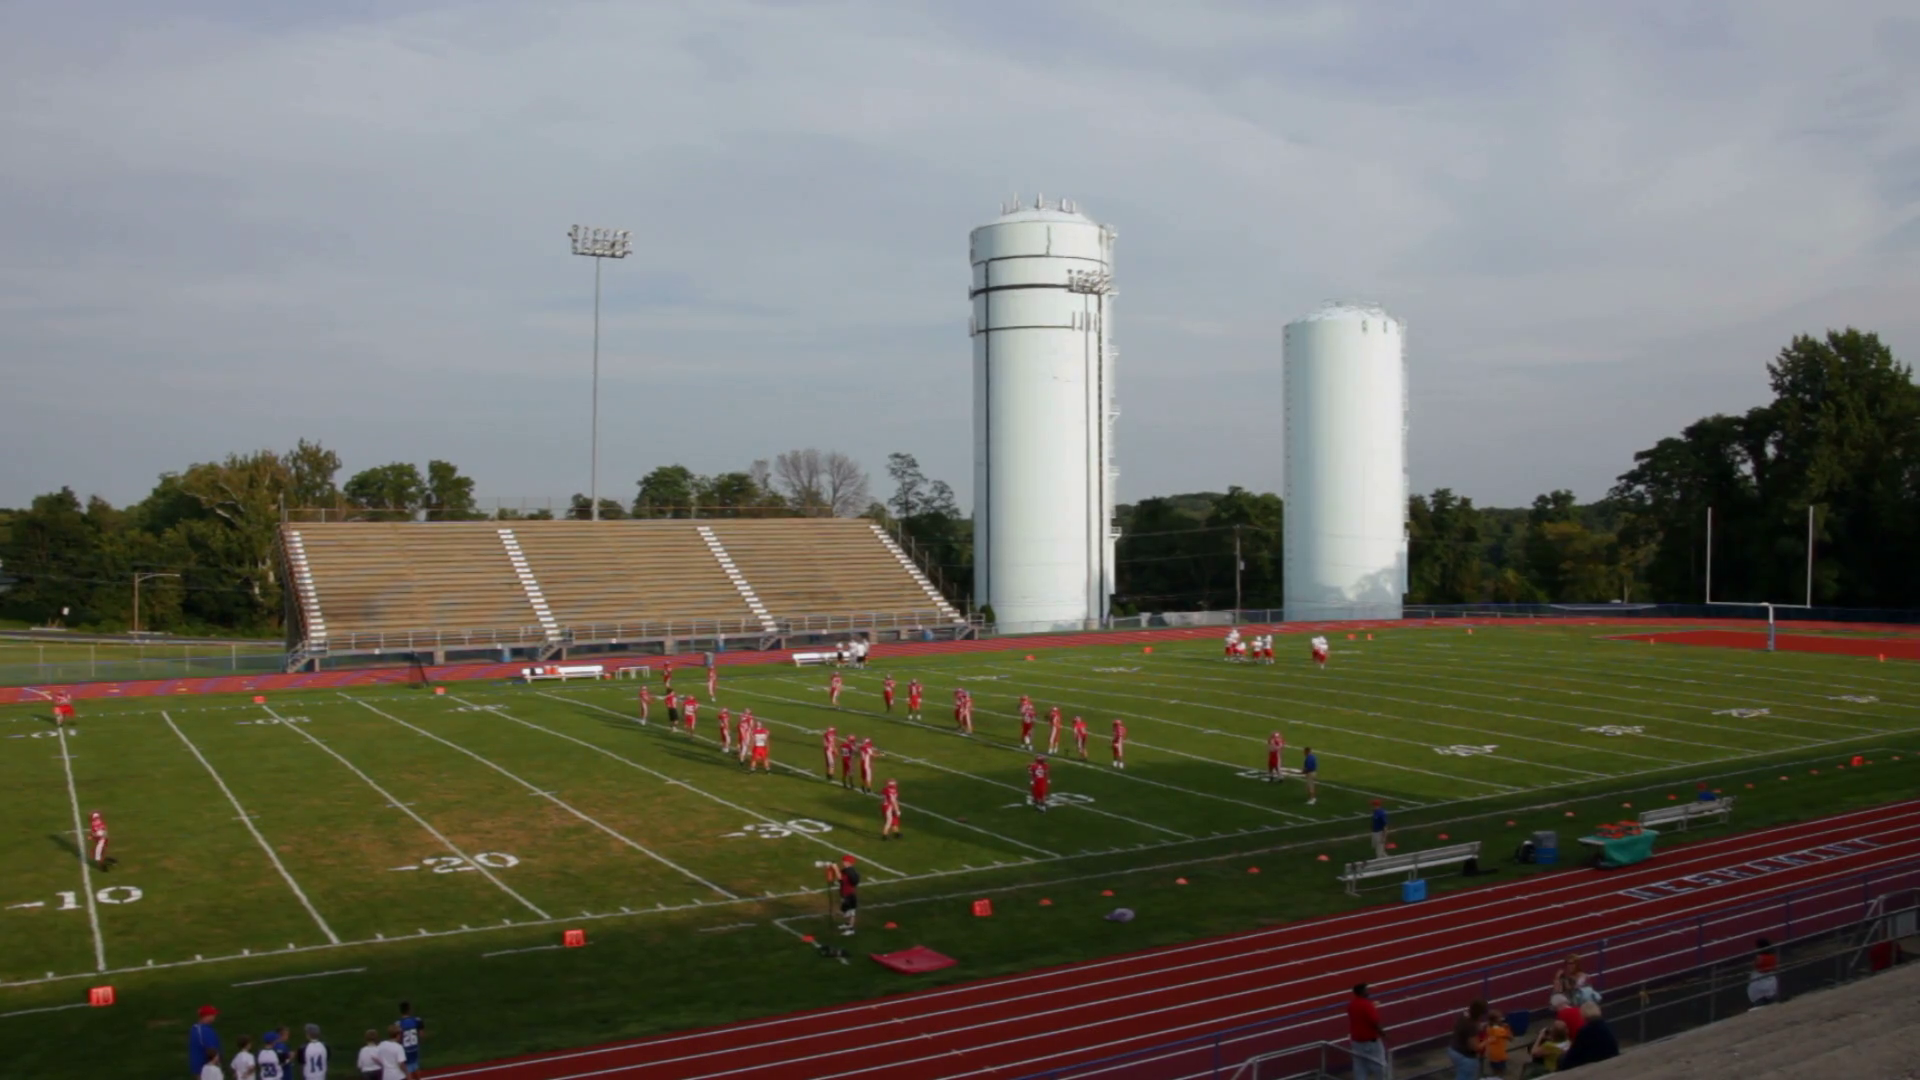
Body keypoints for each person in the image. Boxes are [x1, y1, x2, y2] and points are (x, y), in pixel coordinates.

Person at [1347, 982, 1391, 1080]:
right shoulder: (1367, 1005)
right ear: (1362, 991)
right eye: (1367, 990)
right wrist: (1383, 1034)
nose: (1369, 991)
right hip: (1371, 1041)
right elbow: (1374, 1022)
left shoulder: (1351, 1005)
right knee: (1380, 1065)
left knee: (1360, 1066)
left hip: (1356, 1041)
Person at [1557, 1002, 1617, 1069]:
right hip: (1610, 1054)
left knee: (1561, 1059)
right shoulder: (1606, 1025)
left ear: (1583, 1014)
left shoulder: (1584, 1031)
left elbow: (1574, 1052)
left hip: (1594, 1058)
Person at [1447, 1000, 1488, 1080]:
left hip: (1453, 1050)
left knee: (1461, 1074)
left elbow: (1464, 1029)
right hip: (1465, 1057)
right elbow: (1474, 1047)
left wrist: (1479, 1028)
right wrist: (1488, 1040)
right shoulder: (1471, 1026)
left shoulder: (1464, 1015)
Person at [190, 1005, 222, 1078]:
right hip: (207, 1068)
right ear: (207, 1016)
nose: (215, 1017)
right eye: (213, 1015)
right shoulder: (204, 1031)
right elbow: (211, 1049)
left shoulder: (198, 1028)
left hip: (205, 1068)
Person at [1748, 937, 1780, 1006]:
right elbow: (1775, 966)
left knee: (1759, 1003)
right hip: (1770, 981)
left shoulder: (1759, 957)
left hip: (1759, 982)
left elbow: (1754, 966)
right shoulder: (1773, 956)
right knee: (1773, 1003)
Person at [1481, 1007, 1512, 1079]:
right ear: (1496, 1020)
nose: (1502, 1019)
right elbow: (1510, 1038)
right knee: (1500, 1073)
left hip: (1491, 1055)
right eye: (1500, 1018)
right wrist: (1507, 1028)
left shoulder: (1488, 1027)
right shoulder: (1499, 1030)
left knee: (1494, 1072)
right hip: (1499, 1055)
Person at [397, 1002, 425, 1079]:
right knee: (416, 1068)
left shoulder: (398, 1023)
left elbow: (398, 1039)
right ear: (409, 1010)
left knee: (407, 1072)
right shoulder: (417, 1020)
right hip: (415, 1049)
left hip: (405, 1051)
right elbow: (422, 1034)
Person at [836, 855, 861, 935]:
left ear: (848, 862)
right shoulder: (846, 870)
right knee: (845, 910)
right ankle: (847, 924)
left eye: (844, 861)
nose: (843, 862)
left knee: (851, 912)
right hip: (845, 893)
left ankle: (851, 929)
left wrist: (835, 868)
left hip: (849, 894)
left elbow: (841, 878)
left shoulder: (850, 872)